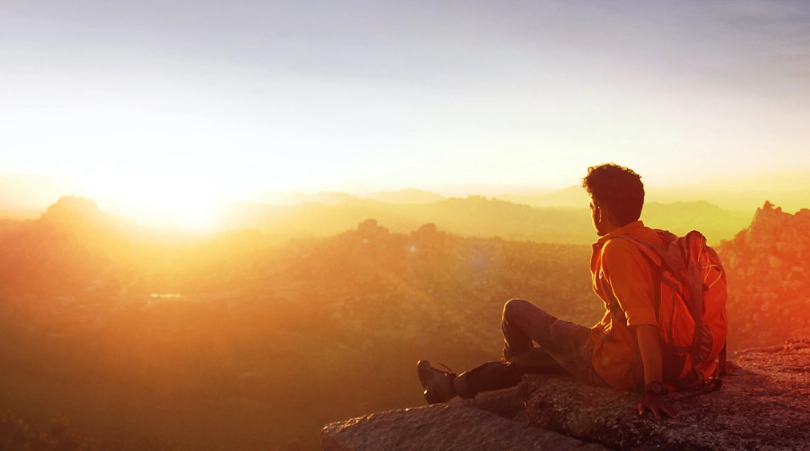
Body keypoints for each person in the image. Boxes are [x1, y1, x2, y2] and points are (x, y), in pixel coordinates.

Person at [417, 163, 679, 419]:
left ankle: (509, 368)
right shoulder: (657, 240)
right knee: (550, 356)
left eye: (592, 206)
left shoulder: (617, 249)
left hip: (617, 365)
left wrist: (653, 388)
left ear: (600, 211)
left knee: (515, 310)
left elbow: (645, 322)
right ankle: (450, 386)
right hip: (660, 359)